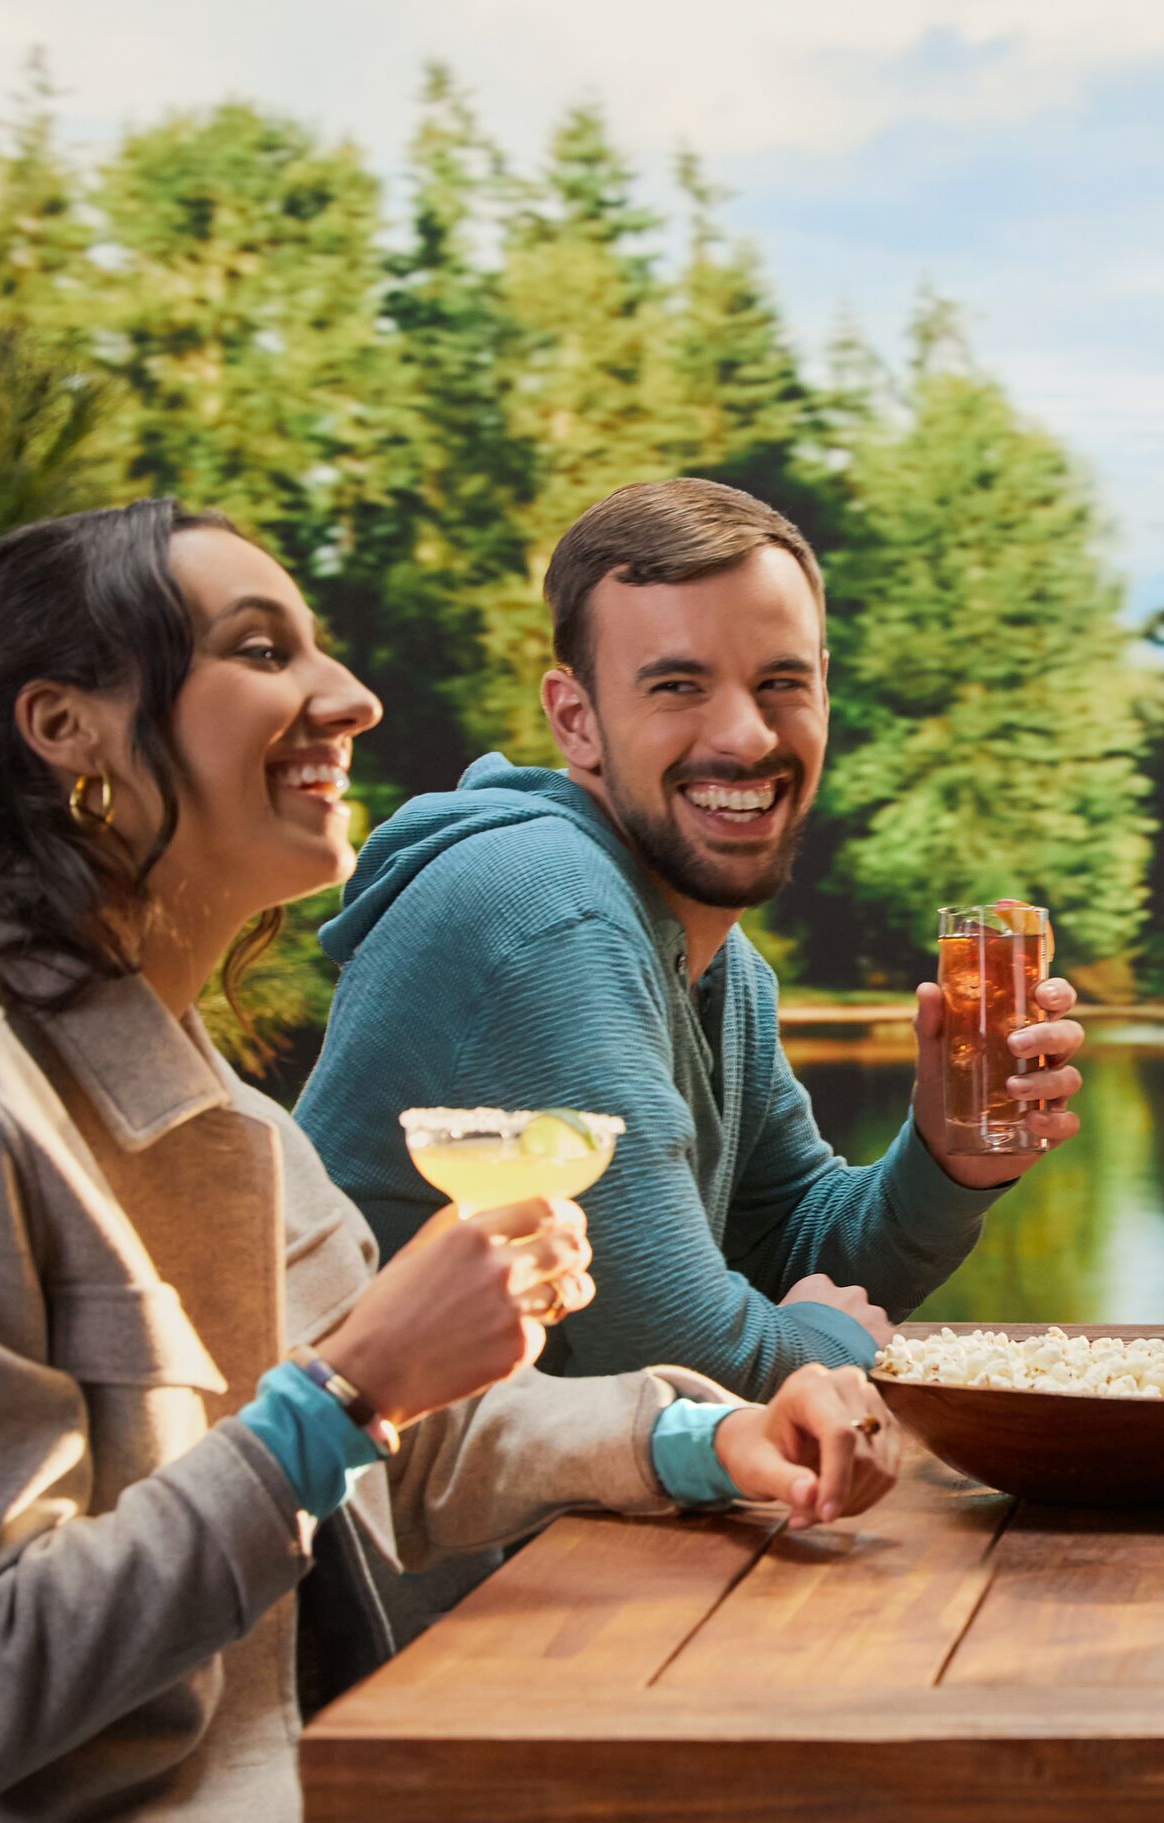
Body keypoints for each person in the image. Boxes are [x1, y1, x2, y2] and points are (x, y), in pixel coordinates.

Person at [0, 501, 905, 1820]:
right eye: (261, 649)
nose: (351, 697)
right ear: (67, 728)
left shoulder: (221, 1114)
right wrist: (353, 1380)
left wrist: (700, 1437)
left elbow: (398, 1455)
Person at [296, 479, 1087, 1400]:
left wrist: (947, 1159)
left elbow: (788, 1242)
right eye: (679, 686)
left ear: (825, 691)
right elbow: (677, 1354)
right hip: (404, 1536)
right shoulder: (552, 911)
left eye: (781, 683)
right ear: (575, 719)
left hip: (584, 1523)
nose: (747, 736)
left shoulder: (716, 957)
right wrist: (834, 1346)